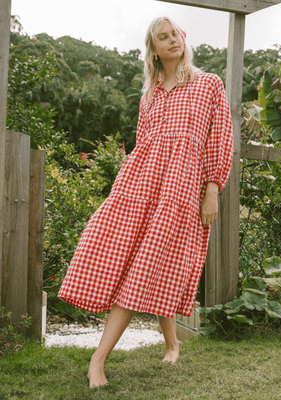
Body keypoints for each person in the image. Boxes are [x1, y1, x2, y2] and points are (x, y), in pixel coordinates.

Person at [58, 16, 234, 388]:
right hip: (139, 185)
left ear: (184, 39)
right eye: (162, 37)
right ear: (153, 49)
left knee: (152, 263)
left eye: (175, 34)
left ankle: (99, 361)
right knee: (130, 256)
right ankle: (170, 344)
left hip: (180, 190)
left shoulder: (208, 85)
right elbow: (142, 144)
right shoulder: (150, 95)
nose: (172, 41)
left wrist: (212, 188)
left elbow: (220, 139)